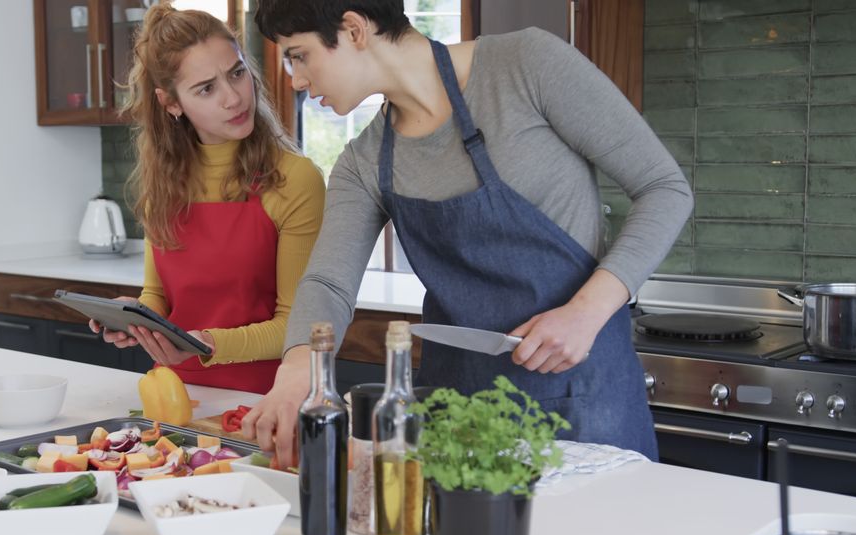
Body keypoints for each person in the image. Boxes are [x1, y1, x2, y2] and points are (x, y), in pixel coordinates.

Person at [243, 0, 693, 464]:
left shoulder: (526, 65)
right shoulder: (364, 160)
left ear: (355, 30)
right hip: (457, 412)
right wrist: (299, 368)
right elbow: (328, 283)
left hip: (584, 397)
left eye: (299, 55)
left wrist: (585, 311)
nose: (295, 79)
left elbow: (664, 189)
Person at [90, 3, 325, 394]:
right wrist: (137, 320)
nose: (233, 98)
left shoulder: (295, 180)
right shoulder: (163, 184)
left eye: (237, 73)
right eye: (206, 89)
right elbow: (159, 296)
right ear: (172, 103)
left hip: (263, 402)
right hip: (173, 396)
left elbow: (296, 327)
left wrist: (203, 345)